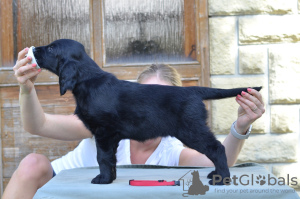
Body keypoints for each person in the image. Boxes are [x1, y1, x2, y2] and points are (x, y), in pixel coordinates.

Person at [2, 47, 265, 199]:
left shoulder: (170, 150)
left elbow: (219, 162)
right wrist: (26, 89)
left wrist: (239, 127)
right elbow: (39, 125)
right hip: (60, 189)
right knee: (32, 163)